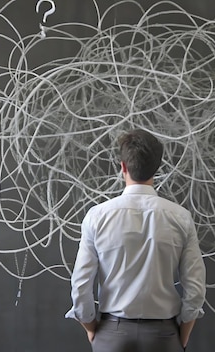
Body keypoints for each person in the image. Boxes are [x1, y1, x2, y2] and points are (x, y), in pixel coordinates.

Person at [65, 129, 207, 352]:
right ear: (157, 168)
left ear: (123, 167)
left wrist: (91, 327)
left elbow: (80, 286)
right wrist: (183, 335)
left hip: (112, 333)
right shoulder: (181, 218)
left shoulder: (97, 217)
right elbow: (195, 289)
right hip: (164, 335)